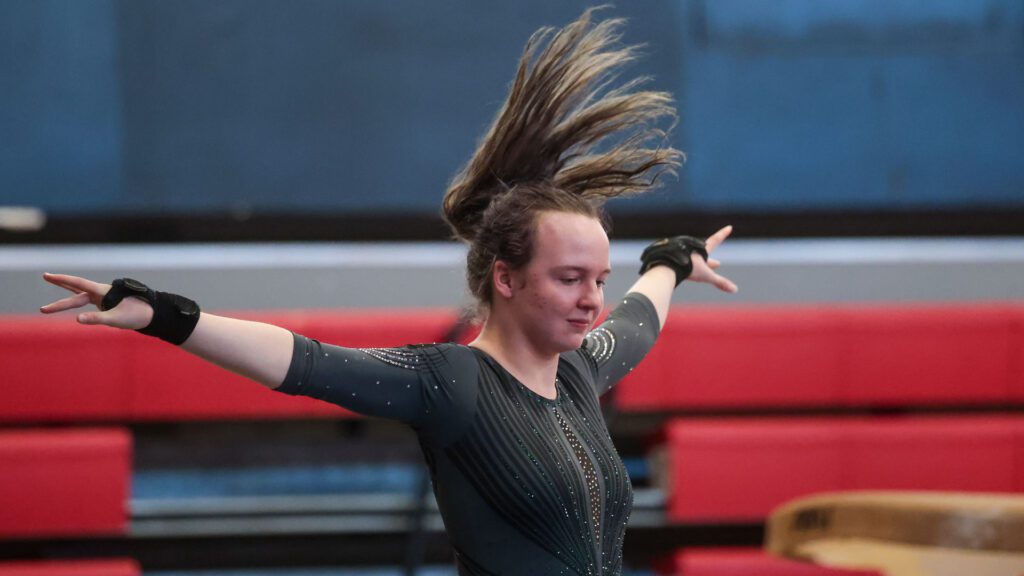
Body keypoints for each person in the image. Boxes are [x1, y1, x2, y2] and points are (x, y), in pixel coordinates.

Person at [40, 8, 737, 575]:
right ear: (506, 278)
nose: (592, 299)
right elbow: (302, 361)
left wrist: (673, 260)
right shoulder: (453, 383)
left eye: (598, 281)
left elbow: (640, 318)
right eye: (568, 279)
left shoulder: (582, 370)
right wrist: (164, 316)